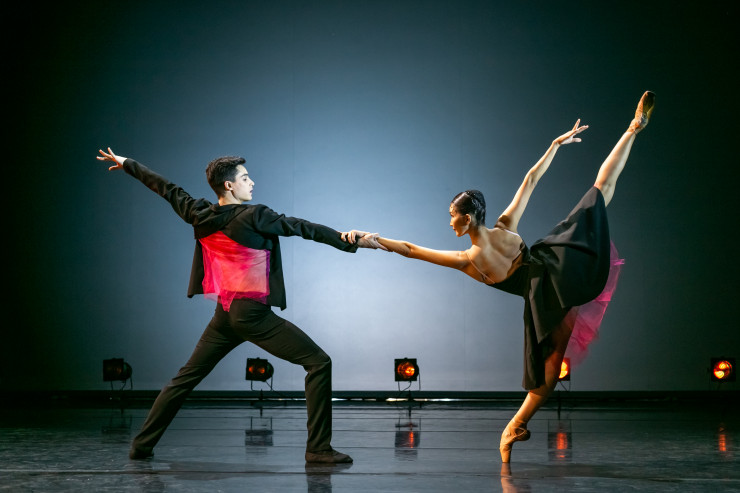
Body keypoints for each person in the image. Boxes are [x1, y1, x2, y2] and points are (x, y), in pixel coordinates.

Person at [348, 91, 655, 462]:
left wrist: (372, 240)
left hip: (545, 291)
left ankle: (512, 428)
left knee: (547, 376)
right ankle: (632, 130)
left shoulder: (469, 260)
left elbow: (412, 249)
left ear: (467, 218)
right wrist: (554, 145)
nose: (449, 222)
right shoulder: (504, 227)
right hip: (555, 266)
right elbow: (530, 179)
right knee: (600, 192)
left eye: (452, 216)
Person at [97, 149, 381, 463]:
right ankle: (318, 449)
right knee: (319, 363)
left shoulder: (198, 213)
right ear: (229, 185)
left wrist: (127, 164)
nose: (252, 182)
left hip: (224, 316)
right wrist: (348, 239)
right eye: (245, 178)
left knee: (184, 379)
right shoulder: (254, 215)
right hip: (252, 315)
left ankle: (141, 446)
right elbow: (300, 227)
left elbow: (167, 189)